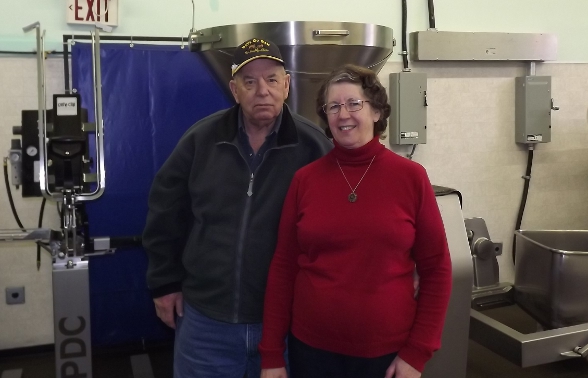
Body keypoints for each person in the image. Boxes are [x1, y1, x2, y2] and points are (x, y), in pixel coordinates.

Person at [142, 37, 332, 378]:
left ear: (286, 85)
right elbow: (164, 213)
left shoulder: (313, 147)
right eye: (249, 81)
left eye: (272, 79)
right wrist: (164, 283)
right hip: (205, 322)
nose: (262, 91)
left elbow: (339, 228)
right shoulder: (201, 140)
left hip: (284, 323)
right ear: (234, 89)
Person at [258, 64, 453, 378]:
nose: (343, 114)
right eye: (333, 106)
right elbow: (283, 267)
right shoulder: (305, 180)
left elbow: (437, 269)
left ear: (376, 112)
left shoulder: (411, 178)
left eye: (353, 103)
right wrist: (271, 354)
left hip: (386, 355)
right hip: (311, 351)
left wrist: (417, 353)